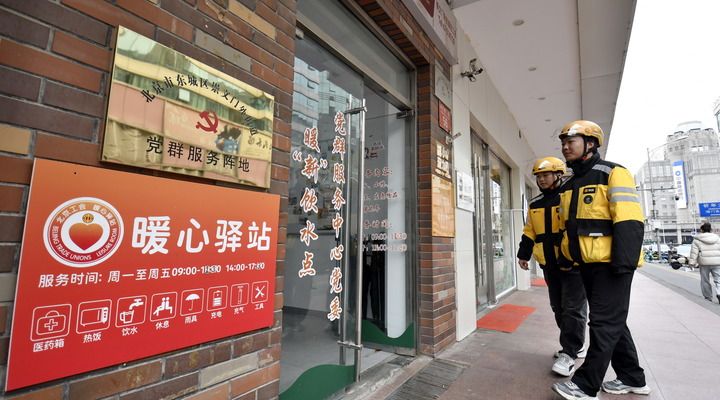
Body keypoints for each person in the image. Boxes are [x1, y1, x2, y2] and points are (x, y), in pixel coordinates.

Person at [550, 120, 651, 400]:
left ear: (591, 143)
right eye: (563, 143)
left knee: (604, 323)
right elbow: (567, 228)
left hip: (612, 265)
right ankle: (633, 378)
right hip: (586, 265)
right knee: (613, 323)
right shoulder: (569, 184)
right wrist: (566, 258)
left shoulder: (613, 173)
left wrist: (623, 263)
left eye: (571, 141)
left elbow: (629, 220)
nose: (565, 147)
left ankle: (585, 386)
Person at [517, 157, 587, 377]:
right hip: (549, 264)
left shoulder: (570, 196)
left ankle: (570, 352)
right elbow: (530, 231)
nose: (541, 179)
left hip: (572, 264)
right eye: (538, 176)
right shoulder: (535, 204)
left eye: (546, 175)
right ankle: (573, 344)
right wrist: (523, 254)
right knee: (558, 307)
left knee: (573, 308)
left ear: (558, 175)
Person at [688, 222, 720, 303]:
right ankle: (719, 293)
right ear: (710, 229)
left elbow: (694, 253)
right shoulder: (717, 238)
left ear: (701, 230)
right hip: (717, 262)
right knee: (718, 279)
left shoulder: (697, 239)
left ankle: (708, 297)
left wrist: (691, 263)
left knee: (705, 280)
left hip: (704, 263)